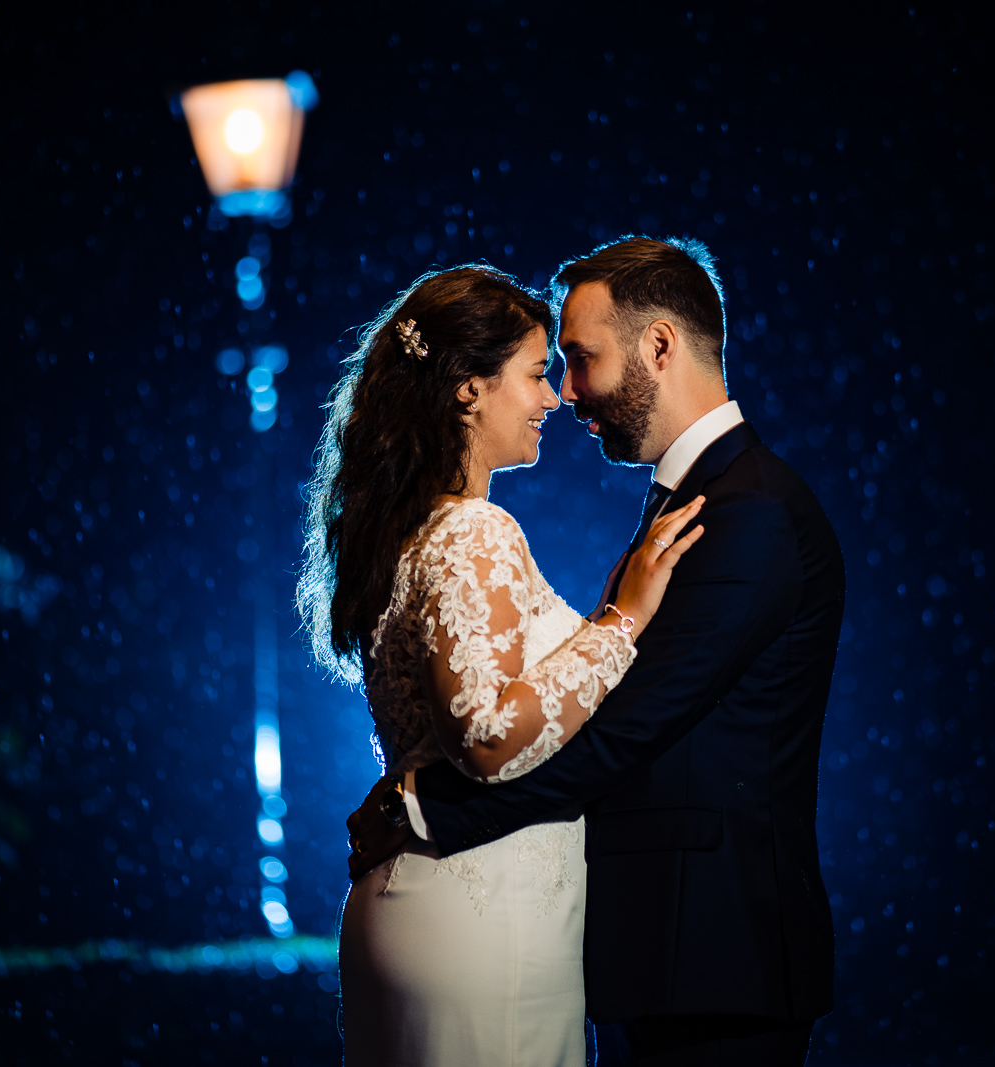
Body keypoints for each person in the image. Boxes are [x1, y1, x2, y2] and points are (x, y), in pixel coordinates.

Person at [345, 237, 846, 1067]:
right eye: (551, 369)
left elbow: (625, 731)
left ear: (659, 345)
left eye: (579, 360)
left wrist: (428, 808)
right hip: (647, 947)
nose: (569, 393)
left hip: (714, 956)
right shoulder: (685, 506)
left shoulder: (750, 511)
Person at [298, 264, 705, 1067]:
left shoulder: (411, 531)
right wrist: (621, 621)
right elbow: (484, 734)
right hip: (487, 920)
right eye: (534, 375)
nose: (554, 397)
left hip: (430, 903)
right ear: (467, 390)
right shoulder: (474, 532)